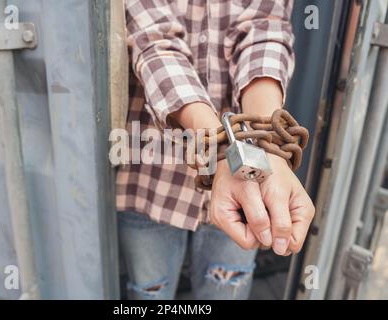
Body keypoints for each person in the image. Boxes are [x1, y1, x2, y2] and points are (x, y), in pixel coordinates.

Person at [116, 0, 315, 300]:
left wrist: (270, 149)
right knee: (150, 292)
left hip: (247, 184)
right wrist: (224, 147)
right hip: (153, 171)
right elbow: (155, 41)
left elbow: (265, 29)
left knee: (224, 290)